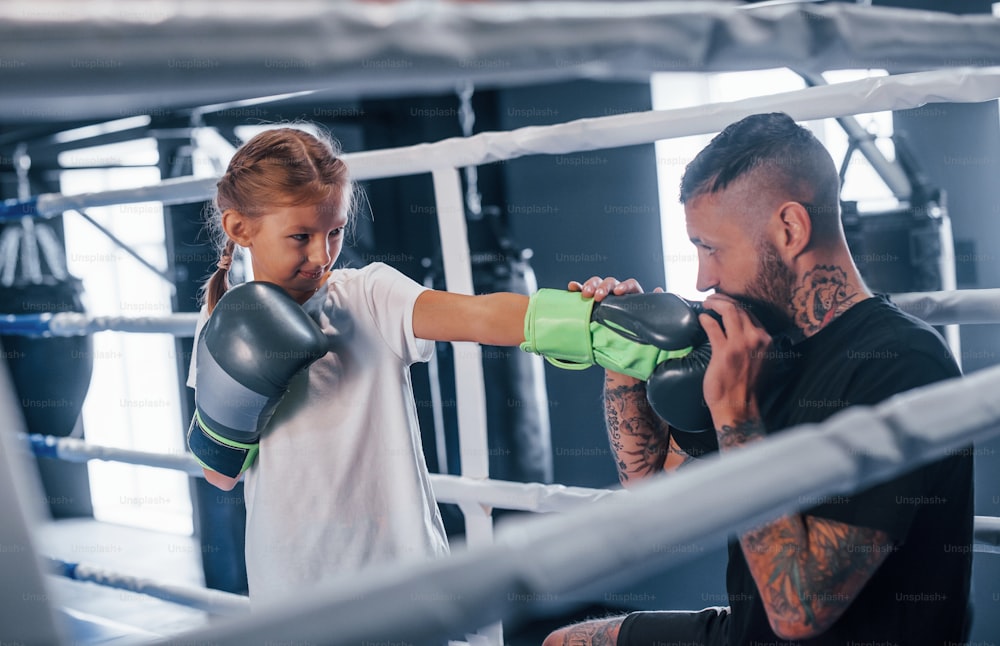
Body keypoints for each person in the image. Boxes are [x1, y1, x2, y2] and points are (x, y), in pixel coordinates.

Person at [544, 112, 973, 645]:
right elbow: (649, 490)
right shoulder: (755, 345)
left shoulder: (902, 364)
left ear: (789, 229)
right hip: (750, 632)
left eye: (711, 248)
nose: (702, 277)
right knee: (565, 643)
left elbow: (800, 611)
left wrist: (737, 417)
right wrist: (623, 357)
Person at [185, 126, 533, 606]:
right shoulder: (217, 320)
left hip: (401, 581)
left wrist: (588, 318)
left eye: (335, 232)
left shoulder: (368, 295)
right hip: (292, 586)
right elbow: (220, 473)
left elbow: (479, 316)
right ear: (240, 229)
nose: (322, 255)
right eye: (301, 236)